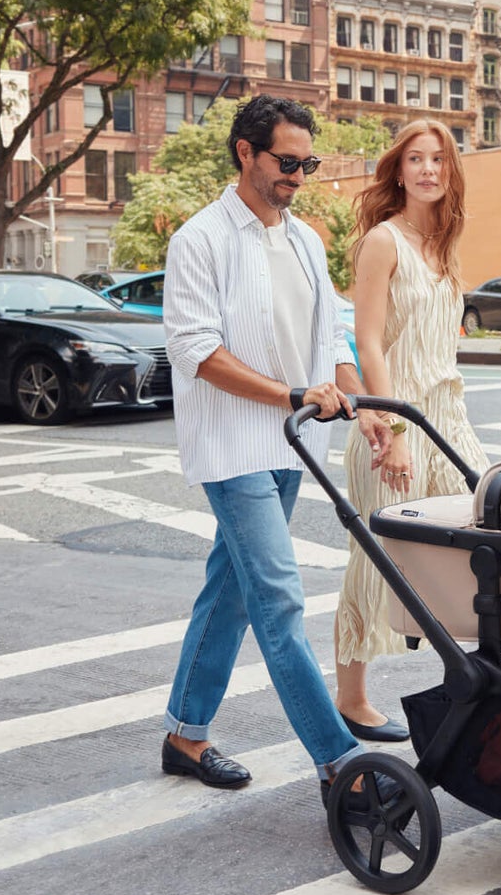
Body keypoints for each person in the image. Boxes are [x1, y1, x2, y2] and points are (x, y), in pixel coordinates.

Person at [160, 95, 390, 798]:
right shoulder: (199, 240)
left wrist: (362, 403)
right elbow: (197, 350)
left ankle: (185, 734)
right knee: (278, 598)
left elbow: (329, 337)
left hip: (291, 447)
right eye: (287, 162)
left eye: (307, 163)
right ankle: (339, 761)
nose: (297, 175)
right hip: (233, 446)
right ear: (246, 153)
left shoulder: (305, 241)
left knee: (230, 590)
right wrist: (291, 396)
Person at [336, 120, 490, 742]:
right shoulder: (384, 241)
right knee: (377, 558)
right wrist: (393, 424)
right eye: (416, 160)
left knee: (482, 526)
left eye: (439, 160)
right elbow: (369, 340)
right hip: (398, 420)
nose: (429, 169)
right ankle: (351, 698)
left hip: (448, 415)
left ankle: (484, 675)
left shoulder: (445, 245)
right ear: (397, 171)